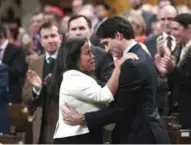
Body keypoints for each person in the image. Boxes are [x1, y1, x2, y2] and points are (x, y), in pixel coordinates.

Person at [60, 16, 170, 144]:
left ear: (118, 36)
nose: (106, 49)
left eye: (107, 43)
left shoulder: (131, 63)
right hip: (147, 131)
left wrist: (83, 118)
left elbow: (121, 110)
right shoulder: (141, 53)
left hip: (140, 136)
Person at [52, 37, 138, 144]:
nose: (93, 56)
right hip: (74, 139)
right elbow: (105, 96)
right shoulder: (73, 78)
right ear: (74, 58)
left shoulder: (79, 77)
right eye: (87, 53)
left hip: (83, 136)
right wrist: (119, 65)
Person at [22, 21, 62, 143]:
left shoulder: (69, 61)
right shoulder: (34, 63)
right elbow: (25, 97)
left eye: (53, 36)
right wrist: (36, 89)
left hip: (63, 123)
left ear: (60, 37)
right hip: (41, 124)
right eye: (45, 37)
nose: (50, 40)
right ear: (41, 41)